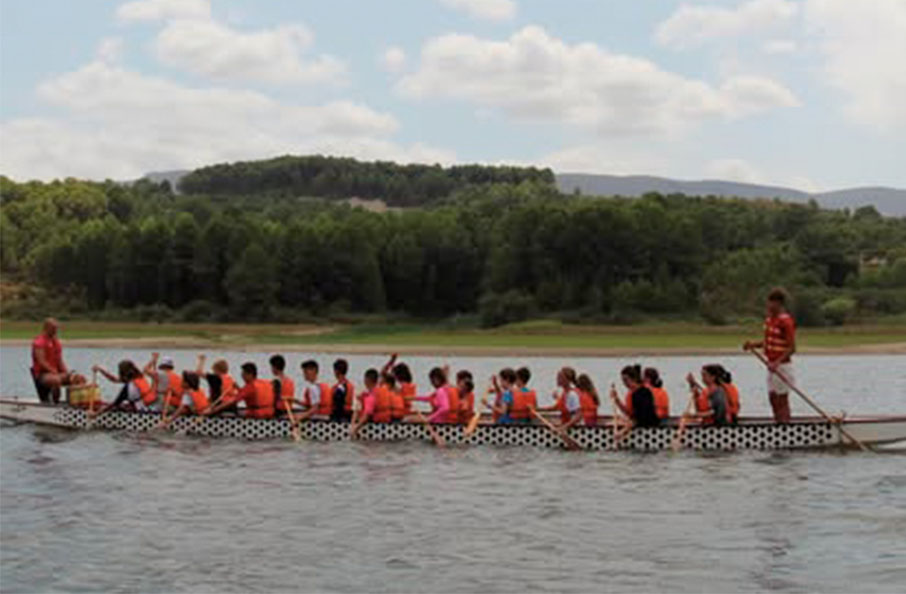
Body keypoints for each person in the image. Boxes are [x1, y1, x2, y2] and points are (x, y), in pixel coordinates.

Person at [744, 288, 796, 423]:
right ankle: (778, 422)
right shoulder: (769, 321)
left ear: (778, 303)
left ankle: (785, 426)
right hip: (771, 366)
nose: (768, 306)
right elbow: (768, 343)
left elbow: (791, 348)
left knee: (781, 399)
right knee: (772, 398)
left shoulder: (786, 322)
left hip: (783, 367)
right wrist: (753, 345)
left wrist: (777, 362)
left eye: (771, 303)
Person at [204, 362, 275, 418]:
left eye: (243, 374)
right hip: (270, 412)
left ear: (250, 374)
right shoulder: (265, 382)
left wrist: (212, 411)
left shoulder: (250, 386)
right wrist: (237, 387)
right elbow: (245, 394)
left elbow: (232, 401)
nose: (242, 376)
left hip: (257, 415)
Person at [89, 360, 156, 416]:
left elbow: (115, 403)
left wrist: (96, 414)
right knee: (120, 405)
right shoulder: (139, 377)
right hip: (147, 406)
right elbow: (114, 379)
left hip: (139, 410)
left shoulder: (129, 387)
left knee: (113, 408)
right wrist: (100, 370)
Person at [31, 318, 71, 404]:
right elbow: (41, 361)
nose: (56, 331)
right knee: (56, 380)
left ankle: (73, 402)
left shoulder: (56, 342)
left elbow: (59, 360)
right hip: (42, 375)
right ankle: (55, 403)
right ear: (47, 328)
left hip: (55, 372)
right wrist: (53, 371)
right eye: (53, 328)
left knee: (77, 379)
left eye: (56, 328)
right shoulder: (39, 342)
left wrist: (67, 374)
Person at [350, 368, 380, 437]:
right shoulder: (376, 392)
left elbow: (366, 416)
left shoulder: (371, 397)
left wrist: (355, 429)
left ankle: (352, 425)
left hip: (374, 428)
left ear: (366, 380)